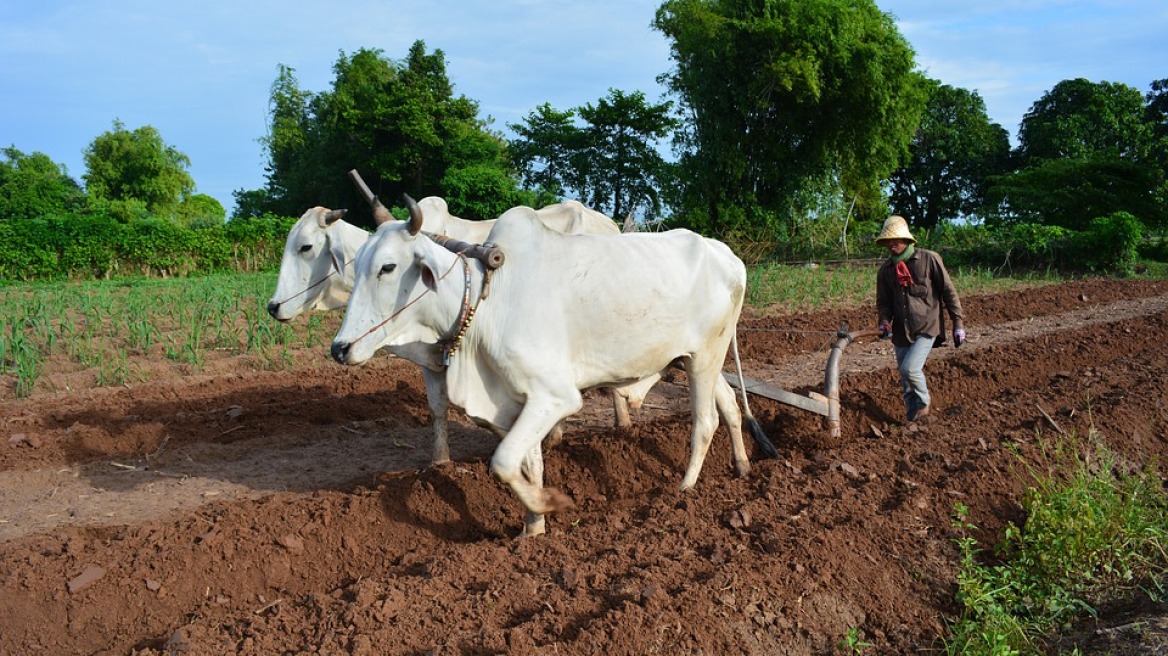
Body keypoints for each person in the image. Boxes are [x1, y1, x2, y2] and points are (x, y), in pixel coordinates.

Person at [874, 215, 965, 423]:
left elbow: (948, 292)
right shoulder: (886, 271)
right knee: (906, 383)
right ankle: (912, 422)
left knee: (910, 369)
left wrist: (958, 323)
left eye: (895, 239)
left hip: (926, 326)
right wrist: (884, 321)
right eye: (888, 241)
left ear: (906, 240)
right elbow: (884, 303)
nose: (891, 244)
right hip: (901, 331)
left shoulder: (928, 259)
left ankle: (924, 404)